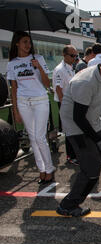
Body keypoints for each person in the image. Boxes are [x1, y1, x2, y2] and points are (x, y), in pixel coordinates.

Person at [57, 57, 101, 217]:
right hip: (76, 128)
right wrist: (97, 140)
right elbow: (78, 117)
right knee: (91, 169)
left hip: (93, 122)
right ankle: (68, 205)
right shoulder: (85, 82)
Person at [7, 31, 55, 184]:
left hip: (40, 100)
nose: (28, 45)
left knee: (40, 137)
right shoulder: (12, 63)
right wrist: (15, 111)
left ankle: (49, 169)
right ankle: (42, 170)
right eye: (25, 42)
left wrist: (39, 67)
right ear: (17, 44)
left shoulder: (38, 58)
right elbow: (13, 89)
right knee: (33, 138)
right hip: (23, 102)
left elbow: (47, 84)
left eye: (29, 42)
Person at [53, 45, 78, 165]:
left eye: (76, 55)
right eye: (72, 55)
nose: (74, 58)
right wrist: (64, 106)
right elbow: (58, 89)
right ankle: (70, 156)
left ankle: (74, 153)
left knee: (73, 129)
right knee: (69, 130)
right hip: (65, 103)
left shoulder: (70, 67)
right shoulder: (60, 69)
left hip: (71, 102)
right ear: (64, 55)